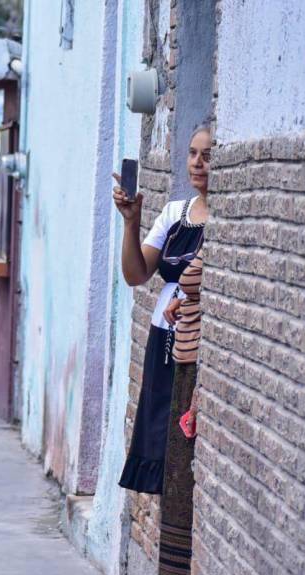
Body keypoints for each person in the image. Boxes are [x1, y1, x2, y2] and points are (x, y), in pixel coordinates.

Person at [113, 125, 211, 495]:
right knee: (159, 430)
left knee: (183, 435)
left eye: (208, 156)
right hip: (162, 338)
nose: (197, 163)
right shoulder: (175, 213)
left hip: (195, 340)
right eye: (192, 153)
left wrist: (185, 299)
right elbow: (136, 274)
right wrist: (130, 221)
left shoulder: (225, 218)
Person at [156, 253, 205, 575]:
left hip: (196, 373)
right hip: (184, 364)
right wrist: (183, 301)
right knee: (174, 481)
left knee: (185, 483)